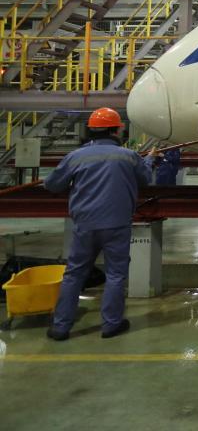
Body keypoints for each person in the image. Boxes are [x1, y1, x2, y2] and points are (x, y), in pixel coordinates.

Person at [44, 107, 155, 341]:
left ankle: (60, 327)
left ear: (91, 130)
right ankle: (111, 325)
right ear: (116, 130)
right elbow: (145, 178)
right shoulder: (128, 156)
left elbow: (52, 185)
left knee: (74, 275)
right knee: (115, 275)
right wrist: (150, 159)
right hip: (117, 226)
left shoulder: (75, 157)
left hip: (85, 225)